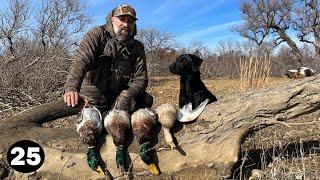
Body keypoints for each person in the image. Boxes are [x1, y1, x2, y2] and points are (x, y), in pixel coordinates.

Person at [63, 4, 154, 174]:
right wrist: (71, 88)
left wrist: (127, 94)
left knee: (147, 100)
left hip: (118, 97)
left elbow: (141, 79)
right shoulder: (97, 35)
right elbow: (80, 62)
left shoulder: (137, 47)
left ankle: (126, 136)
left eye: (130, 21)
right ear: (112, 20)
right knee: (91, 121)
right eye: (122, 19)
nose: (126, 24)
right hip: (94, 97)